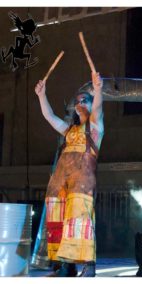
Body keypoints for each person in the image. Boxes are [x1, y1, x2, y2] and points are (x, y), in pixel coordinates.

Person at [34, 72, 104, 277]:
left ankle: (88, 266)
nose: (79, 102)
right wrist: (41, 95)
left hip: (81, 184)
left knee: (79, 221)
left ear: (91, 105)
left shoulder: (95, 127)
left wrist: (98, 90)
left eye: (85, 100)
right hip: (61, 183)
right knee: (59, 219)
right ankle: (64, 266)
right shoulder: (70, 130)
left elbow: (99, 109)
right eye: (77, 100)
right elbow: (50, 117)